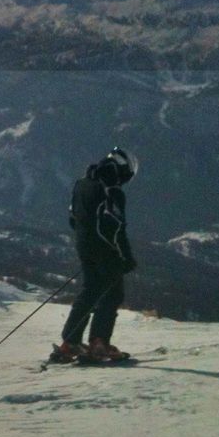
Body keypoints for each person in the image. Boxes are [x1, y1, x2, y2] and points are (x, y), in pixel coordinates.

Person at [53, 148, 138, 362]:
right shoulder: (113, 190)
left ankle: (69, 343)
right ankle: (99, 343)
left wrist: (87, 240)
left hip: (83, 244)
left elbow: (73, 217)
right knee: (112, 294)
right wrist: (126, 257)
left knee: (90, 291)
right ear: (123, 169)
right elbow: (117, 227)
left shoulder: (82, 183)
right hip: (106, 248)